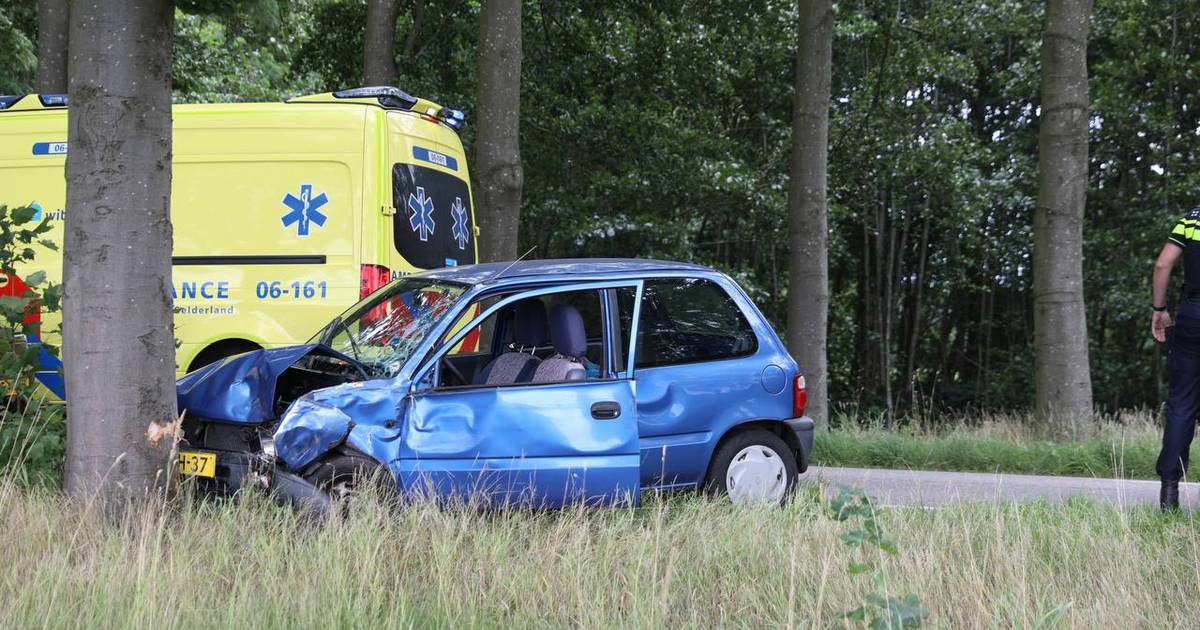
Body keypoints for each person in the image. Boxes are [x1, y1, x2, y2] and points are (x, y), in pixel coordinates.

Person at [1152, 207, 1200, 510]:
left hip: (1194, 315)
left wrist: (1159, 309)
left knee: (1182, 404)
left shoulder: (1192, 219)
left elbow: (1163, 263)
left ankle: (1169, 493)